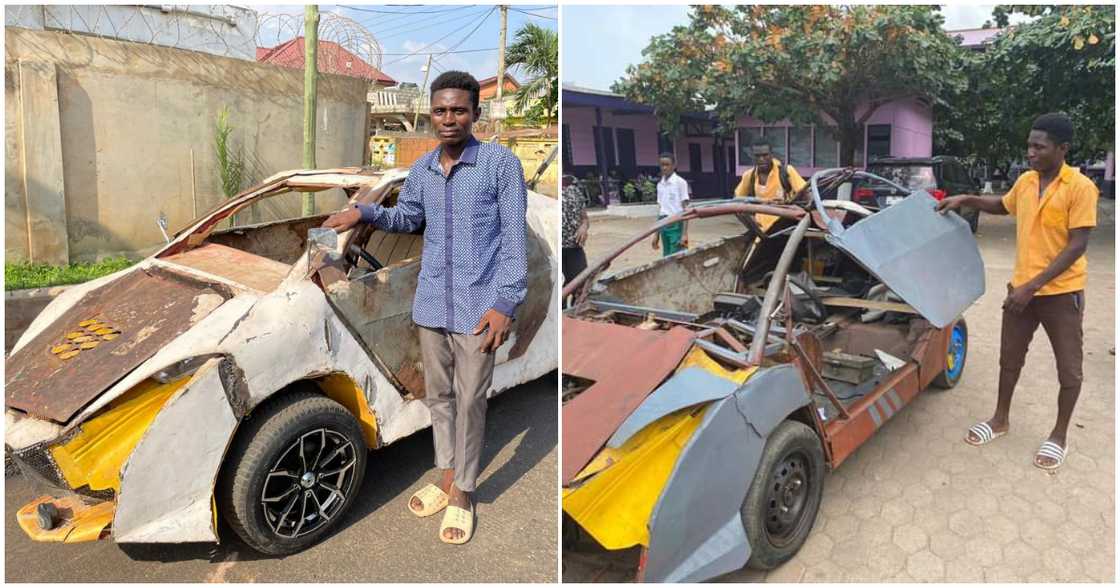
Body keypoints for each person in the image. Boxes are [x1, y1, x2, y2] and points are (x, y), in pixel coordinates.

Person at [322, 71, 527, 542]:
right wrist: (365, 212)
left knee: (472, 399)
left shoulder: (499, 165)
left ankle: (465, 491)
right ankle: (446, 474)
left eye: (458, 110)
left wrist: (505, 303)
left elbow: (514, 240)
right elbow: (410, 217)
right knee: (439, 397)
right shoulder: (423, 169)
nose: (448, 119)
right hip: (433, 302)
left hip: (480, 305)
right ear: (430, 114)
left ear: (476, 113)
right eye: (440, 110)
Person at [938, 112, 1097, 471]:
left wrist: (1033, 287)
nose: (1031, 152)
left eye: (1039, 147)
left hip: (1060, 295)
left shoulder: (1080, 188)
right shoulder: (1026, 182)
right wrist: (966, 198)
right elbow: (1002, 205)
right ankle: (1000, 419)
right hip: (1020, 291)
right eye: (1029, 145)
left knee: (1069, 370)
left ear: (1062, 148)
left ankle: (1059, 435)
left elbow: (1077, 246)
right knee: (1009, 359)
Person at [734, 137, 808, 231]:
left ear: (772, 155)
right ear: (752, 156)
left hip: (784, 227)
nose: (761, 159)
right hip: (759, 228)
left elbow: (805, 192)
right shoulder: (749, 175)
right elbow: (737, 200)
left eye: (765, 155)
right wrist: (749, 219)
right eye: (757, 156)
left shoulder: (786, 171)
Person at [652, 153, 690, 256]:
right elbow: (661, 210)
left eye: (667, 164)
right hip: (664, 223)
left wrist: (684, 234)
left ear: (674, 165)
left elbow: (686, 209)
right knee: (666, 257)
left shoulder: (680, 183)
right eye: (662, 165)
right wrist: (656, 234)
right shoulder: (660, 185)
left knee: (677, 256)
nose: (664, 168)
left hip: (676, 224)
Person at [561, 174, 590, 290]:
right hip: (555, 251)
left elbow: (585, 218)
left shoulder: (574, 190)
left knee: (582, 286)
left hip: (575, 247)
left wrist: (584, 227)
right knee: (558, 290)